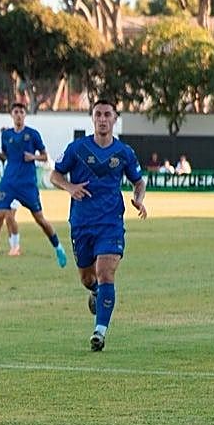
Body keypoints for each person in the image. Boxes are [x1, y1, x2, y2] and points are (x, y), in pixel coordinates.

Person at [49, 100, 146, 351]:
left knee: (106, 272)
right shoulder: (77, 148)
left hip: (111, 222)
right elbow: (54, 175)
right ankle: (96, 292)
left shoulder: (124, 152)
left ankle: (99, 332)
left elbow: (139, 181)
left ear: (115, 119)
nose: (103, 119)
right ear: (92, 119)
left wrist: (138, 199)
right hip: (81, 223)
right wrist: (70, 187)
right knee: (87, 277)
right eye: (98, 114)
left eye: (107, 115)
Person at [0, 103, 66, 271]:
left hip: (27, 184)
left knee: (40, 219)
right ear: (11, 114)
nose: (18, 115)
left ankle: (58, 248)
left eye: (21, 112)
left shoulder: (32, 134)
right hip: (8, 182)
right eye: (15, 112)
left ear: (25, 115)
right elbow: (7, 157)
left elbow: (45, 156)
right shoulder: (6, 135)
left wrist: (34, 157)